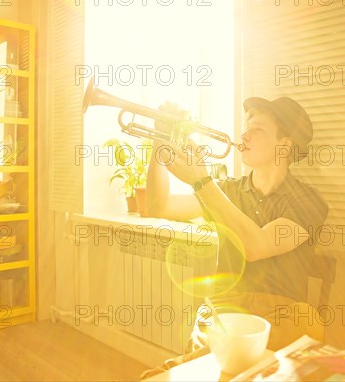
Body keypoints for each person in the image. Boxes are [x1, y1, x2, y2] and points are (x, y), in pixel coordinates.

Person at [140, 96, 329, 378]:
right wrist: (159, 140)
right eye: (245, 127)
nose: (243, 135)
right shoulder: (226, 191)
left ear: (285, 145)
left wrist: (202, 182)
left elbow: (257, 246)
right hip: (225, 312)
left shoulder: (308, 201)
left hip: (283, 318)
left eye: (257, 129)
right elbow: (160, 205)